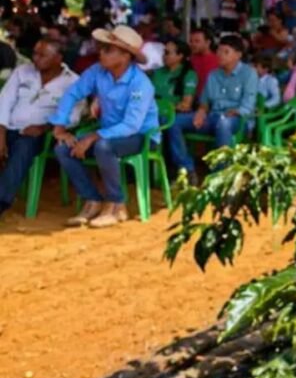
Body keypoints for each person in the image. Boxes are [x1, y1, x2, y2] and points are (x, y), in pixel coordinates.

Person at [50, 26, 159, 228]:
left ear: (126, 56)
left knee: (103, 147)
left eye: (108, 49)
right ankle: (92, 200)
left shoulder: (141, 83)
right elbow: (73, 93)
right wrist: (59, 126)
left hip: (142, 136)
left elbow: (131, 125)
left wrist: (92, 137)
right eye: (102, 48)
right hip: (108, 133)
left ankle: (117, 205)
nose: (101, 53)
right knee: (62, 149)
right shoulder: (97, 72)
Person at [0, 39, 80, 216]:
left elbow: (73, 117)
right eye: (35, 53)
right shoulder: (22, 72)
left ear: (58, 58)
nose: (35, 58)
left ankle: (2, 201)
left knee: (24, 146)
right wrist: (1, 134)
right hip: (8, 128)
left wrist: (44, 127)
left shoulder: (73, 82)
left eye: (42, 55)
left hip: (42, 134)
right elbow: (4, 102)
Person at [166, 35, 257, 179]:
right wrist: (201, 111)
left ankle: (220, 175)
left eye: (226, 52)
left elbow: (248, 105)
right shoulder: (213, 74)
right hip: (213, 116)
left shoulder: (249, 73)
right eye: (219, 51)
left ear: (238, 55)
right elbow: (204, 102)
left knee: (224, 122)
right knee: (174, 121)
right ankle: (186, 168)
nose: (220, 55)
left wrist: (234, 111)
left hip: (238, 120)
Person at [151, 40, 198, 113]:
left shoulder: (189, 75)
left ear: (180, 56)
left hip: (174, 114)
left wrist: (166, 108)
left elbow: (186, 105)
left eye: (167, 53)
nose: (164, 56)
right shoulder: (158, 72)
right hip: (153, 113)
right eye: (164, 52)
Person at [188, 28, 219, 97]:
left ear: (207, 42)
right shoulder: (190, 59)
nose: (193, 44)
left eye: (197, 41)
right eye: (191, 41)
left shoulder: (218, 60)